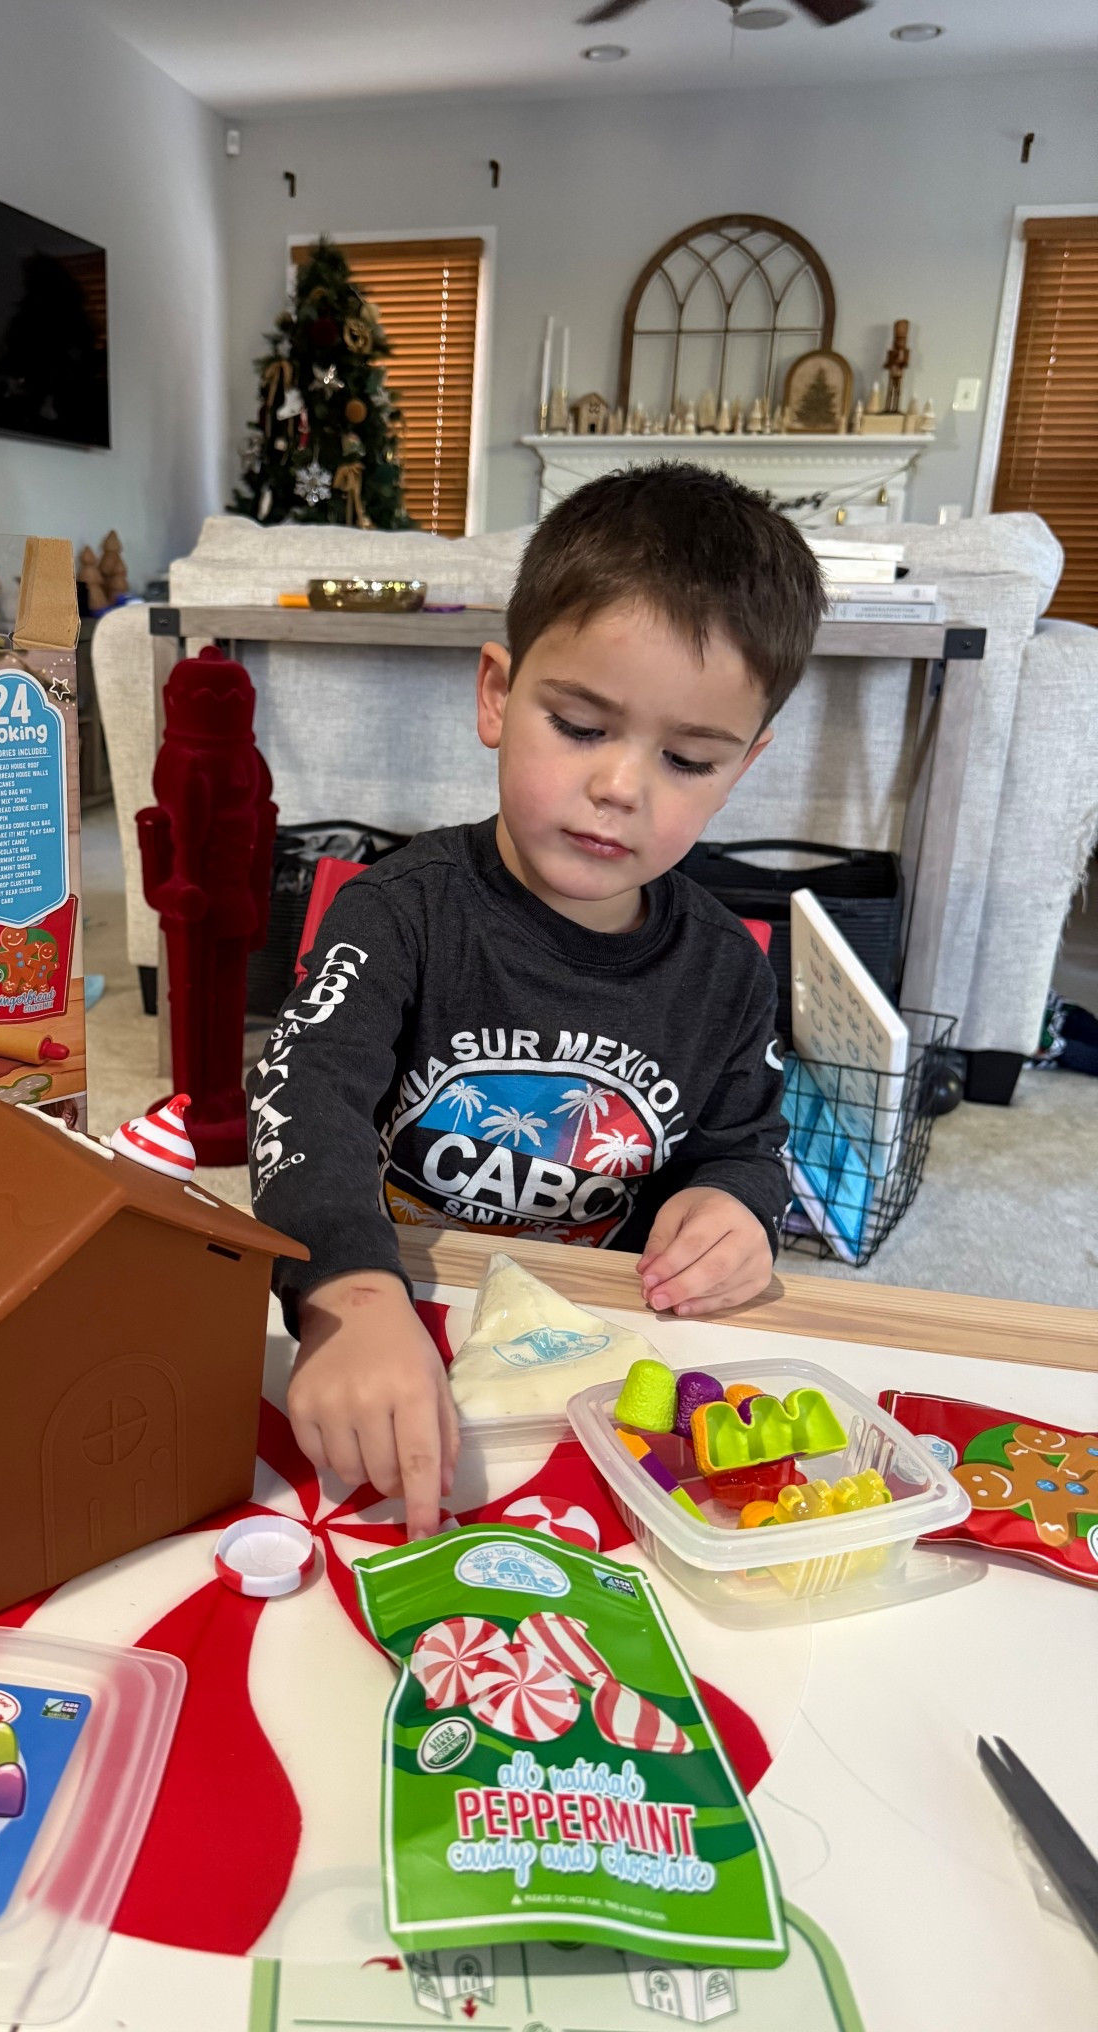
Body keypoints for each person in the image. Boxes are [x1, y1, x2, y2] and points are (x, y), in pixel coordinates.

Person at [248, 464, 826, 1539]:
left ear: (742, 767)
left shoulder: (726, 969)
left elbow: (745, 1144)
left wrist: (743, 1211)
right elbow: (300, 1096)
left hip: (599, 1366)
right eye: (580, 725)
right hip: (394, 1310)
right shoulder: (397, 912)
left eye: (688, 757)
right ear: (497, 696)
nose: (622, 786)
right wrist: (345, 1293)